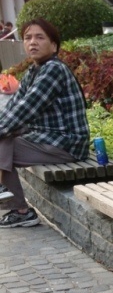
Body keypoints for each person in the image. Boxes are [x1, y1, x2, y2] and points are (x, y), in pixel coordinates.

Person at [0, 18, 89, 227]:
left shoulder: (54, 70)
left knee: (3, 143)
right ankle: (19, 209)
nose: (33, 42)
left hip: (67, 143)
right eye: (28, 37)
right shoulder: (34, 71)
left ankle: (20, 210)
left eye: (40, 37)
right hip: (47, 139)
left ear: (54, 45)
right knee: (4, 139)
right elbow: (12, 107)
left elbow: (25, 110)